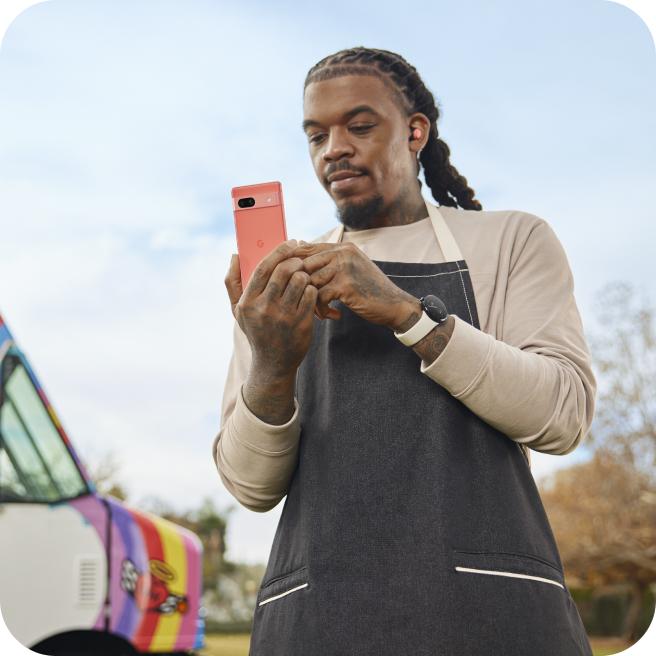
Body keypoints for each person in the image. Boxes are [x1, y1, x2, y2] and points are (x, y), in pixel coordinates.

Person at [213, 47, 596, 656]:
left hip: (487, 617)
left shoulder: (511, 239)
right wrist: (272, 362)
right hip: (318, 622)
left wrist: (406, 314)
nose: (333, 147)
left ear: (416, 131)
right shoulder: (282, 286)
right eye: (316, 135)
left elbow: (564, 414)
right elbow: (249, 486)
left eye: (359, 126)